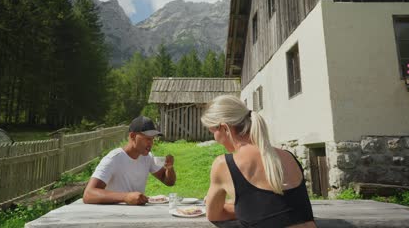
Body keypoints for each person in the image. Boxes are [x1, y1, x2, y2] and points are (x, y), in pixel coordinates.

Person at [201, 95, 316, 228]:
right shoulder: (289, 157)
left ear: (225, 128)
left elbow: (214, 214)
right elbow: (275, 208)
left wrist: (225, 205)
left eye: (213, 132)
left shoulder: (225, 165)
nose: (215, 139)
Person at [83, 116, 176, 205]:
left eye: (152, 139)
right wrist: (125, 197)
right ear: (132, 136)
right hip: (113, 216)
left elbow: (169, 182)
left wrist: (170, 168)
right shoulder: (113, 159)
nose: (151, 143)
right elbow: (88, 194)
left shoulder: (147, 157)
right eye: (147, 138)